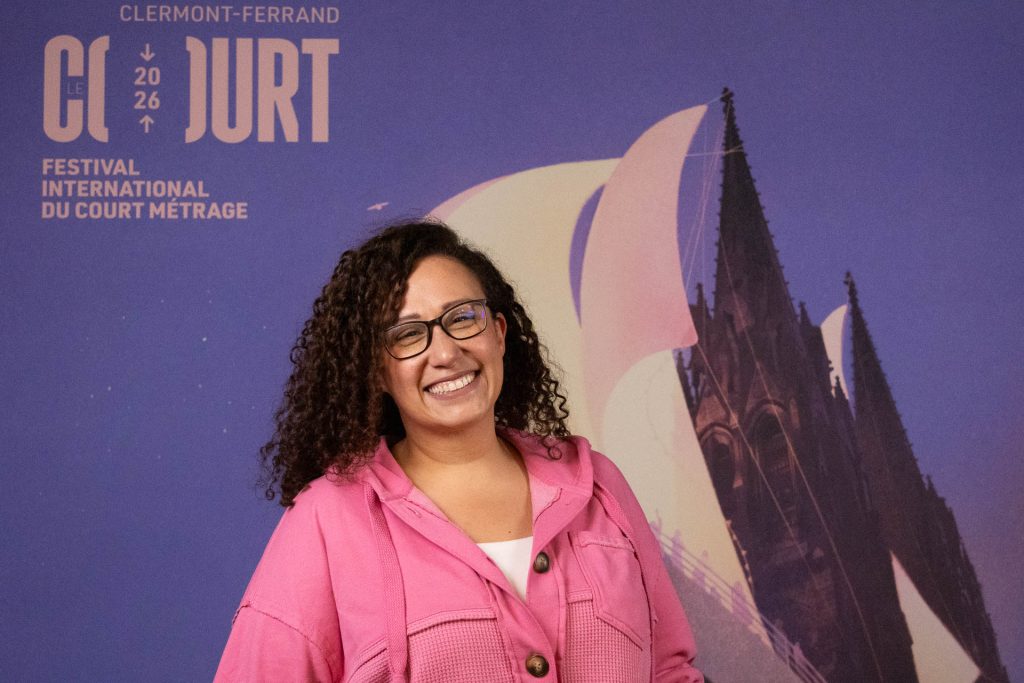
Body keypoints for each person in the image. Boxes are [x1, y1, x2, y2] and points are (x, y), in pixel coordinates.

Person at [215, 220, 703, 682]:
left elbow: (669, 670)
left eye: (463, 318)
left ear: (499, 333)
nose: (446, 353)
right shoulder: (326, 518)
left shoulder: (599, 487)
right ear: (376, 371)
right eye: (408, 334)